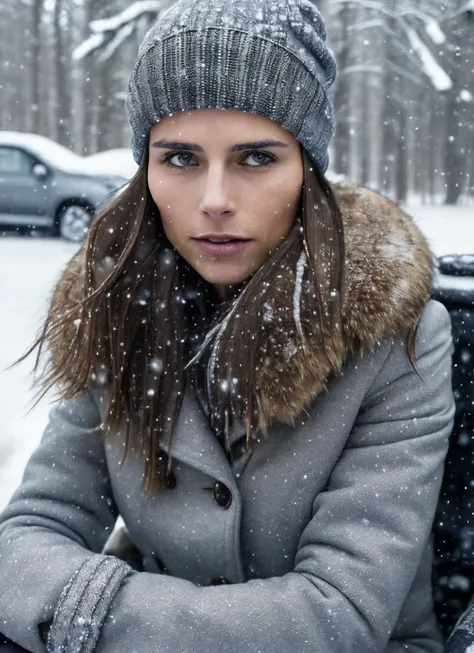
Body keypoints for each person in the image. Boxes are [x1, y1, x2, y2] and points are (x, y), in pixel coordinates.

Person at [0, 0, 456, 651]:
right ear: (147, 170)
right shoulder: (118, 309)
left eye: (256, 158)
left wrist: (89, 613)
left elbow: (338, 614)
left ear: (307, 169)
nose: (215, 199)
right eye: (181, 159)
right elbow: (24, 539)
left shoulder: (396, 339)